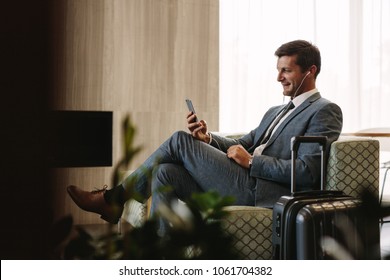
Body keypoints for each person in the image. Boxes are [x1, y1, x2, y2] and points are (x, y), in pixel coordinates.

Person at [67, 39, 343, 234]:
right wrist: (208, 138)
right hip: (240, 178)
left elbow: (308, 171)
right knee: (165, 173)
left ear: (311, 71)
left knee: (178, 140)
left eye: (286, 70)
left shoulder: (324, 111)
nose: (279, 77)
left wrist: (251, 163)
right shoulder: (275, 111)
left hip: (260, 190)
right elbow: (243, 145)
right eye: (278, 70)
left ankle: (113, 199)